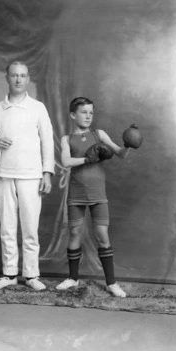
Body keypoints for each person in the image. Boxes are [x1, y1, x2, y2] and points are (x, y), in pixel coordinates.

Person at [0, 61, 55, 291]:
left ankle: (31, 275)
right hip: (4, 175)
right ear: (7, 78)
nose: (18, 80)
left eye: (22, 75)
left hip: (31, 175)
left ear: (28, 79)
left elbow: (48, 141)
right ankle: (9, 273)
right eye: (14, 75)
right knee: (7, 227)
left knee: (30, 227)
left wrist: (47, 173)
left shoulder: (38, 108)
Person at [56, 97, 132, 297]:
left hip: (98, 194)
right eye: (83, 112)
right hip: (76, 193)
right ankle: (73, 278)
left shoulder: (99, 134)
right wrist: (87, 158)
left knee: (102, 236)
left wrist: (128, 144)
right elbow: (65, 161)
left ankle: (111, 283)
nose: (88, 116)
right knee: (74, 233)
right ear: (73, 115)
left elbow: (121, 154)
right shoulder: (67, 138)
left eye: (91, 112)